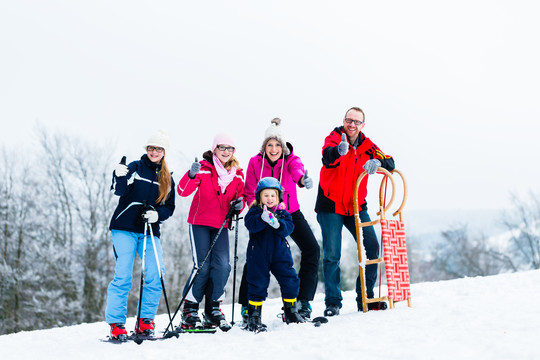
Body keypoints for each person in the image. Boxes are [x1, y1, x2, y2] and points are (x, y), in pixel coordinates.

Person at [315, 107, 395, 316]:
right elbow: (327, 157)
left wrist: (378, 162)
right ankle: (333, 302)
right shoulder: (334, 138)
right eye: (349, 120)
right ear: (344, 121)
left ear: (362, 125)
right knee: (332, 254)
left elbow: (390, 161)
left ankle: (365, 299)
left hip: (356, 206)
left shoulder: (368, 146)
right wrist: (338, 151)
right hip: (331, 205)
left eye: (356, 122)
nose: (352, 125)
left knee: (372, 247)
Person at [239, 118, 320, 320]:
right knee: (255, 253)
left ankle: (302, 300)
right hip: (262, 213)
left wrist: (303, 179)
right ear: (264, 146)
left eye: (277, 145)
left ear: (283, 147)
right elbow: (249, 191)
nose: (273, 149)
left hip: (289, 212)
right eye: (270, 145)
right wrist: (256, 211)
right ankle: (247, 305)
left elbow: (297, 172)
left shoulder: (291, 160)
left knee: (312, 249)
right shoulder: (255, 162)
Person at [106, 130, 176, 340]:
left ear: (164, 152)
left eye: (159, 149)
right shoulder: (135, 167)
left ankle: (145, 321)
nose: (154, 152)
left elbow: (169, 208)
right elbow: (118, 191)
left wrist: (157, 215)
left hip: (149, 231)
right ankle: (117, 324)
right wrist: (118, 175)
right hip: (124, 228)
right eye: (151, 148)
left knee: (155, 273)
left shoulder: (167, 177)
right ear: (147, 149)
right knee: (124, 274)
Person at [177, 133, 245, 331]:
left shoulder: (238, 173)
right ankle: (190, 309)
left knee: (223, 266)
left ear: (233, 152)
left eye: (229, 148)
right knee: (202, 266)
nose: (225, 152)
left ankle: (213, 308)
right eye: (222, 147)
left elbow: (240, 199)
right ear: (214, 149)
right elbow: (182, 191)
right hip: (199, 223)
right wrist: (190, 174)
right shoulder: (204, 169)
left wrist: (239, 205)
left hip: (221, 225)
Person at [244, 177, 305, 332]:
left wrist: (278, 223)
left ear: (278, 197)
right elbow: (250, 224)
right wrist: (261, 218)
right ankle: (254, 316)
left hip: (280, 254)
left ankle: (291, 311)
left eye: (273, 195)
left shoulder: (283, 213)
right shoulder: (254, 211)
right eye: (266, 195)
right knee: (257, 282)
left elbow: (288, 228)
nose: (269, 199)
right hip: (258, 254)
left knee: (290, 279)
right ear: (259, 197)